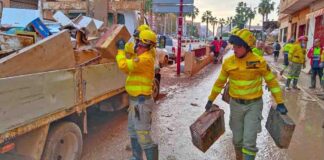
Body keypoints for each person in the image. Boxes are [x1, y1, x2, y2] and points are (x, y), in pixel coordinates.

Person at [205, 28, 287, 160]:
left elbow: (272, 82)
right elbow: (219, 82)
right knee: (237, 140)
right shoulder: (229, 62)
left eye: (238, 46)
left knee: (249, 142)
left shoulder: (259, 62)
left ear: (247, 47)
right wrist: (210, 100)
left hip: (253, 105)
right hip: (236, 105)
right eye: (234, 46)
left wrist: (280, 102)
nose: (234, 49)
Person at [116, 29, 158, 160]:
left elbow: (123, 65)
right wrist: (130, 42)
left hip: (142, 103)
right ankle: (136, 157)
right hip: (134, 102)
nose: (138, 47)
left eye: (141, 45)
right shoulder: (143, 52)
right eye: (138, 43)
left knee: (143, 135)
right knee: (133, 131)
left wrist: (120, 50)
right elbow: (132, 48)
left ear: (149, 47)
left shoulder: (145, 60)